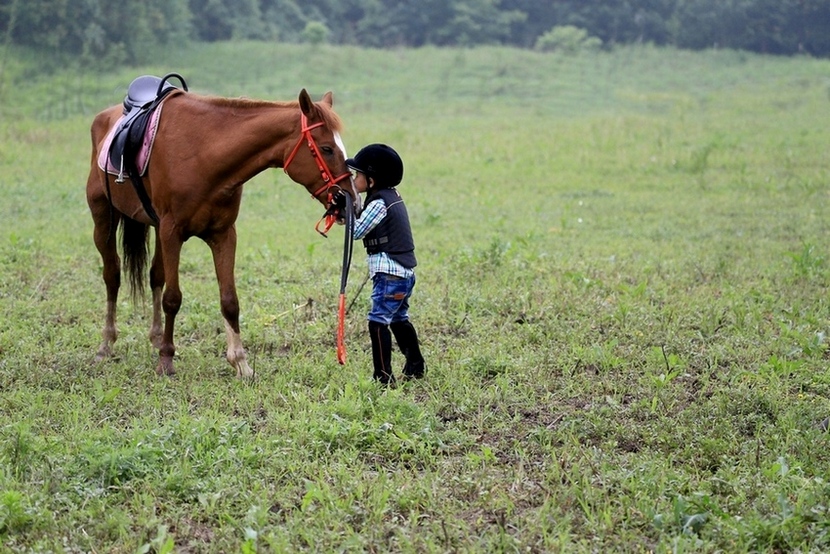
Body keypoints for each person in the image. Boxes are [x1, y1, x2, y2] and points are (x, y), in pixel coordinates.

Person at [335, 143, 425, 386]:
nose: (354, 179)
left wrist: (345, 210)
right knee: (398, 319)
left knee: (377, 322)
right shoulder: (389, 196)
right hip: (401, 273)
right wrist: (347, 212)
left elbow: (357, 231)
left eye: (358, 175)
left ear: (372, 180)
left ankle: (383, 376)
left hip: (390, 275)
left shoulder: (378, 203)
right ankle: (416, 365)